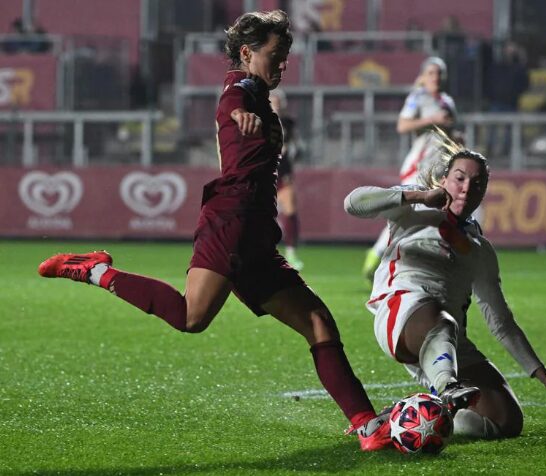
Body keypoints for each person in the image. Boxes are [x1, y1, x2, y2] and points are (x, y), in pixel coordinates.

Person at [37, 10, 392, 452]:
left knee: (319, 322)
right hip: (232, 221)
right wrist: (242, 113)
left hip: (258, 231)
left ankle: (368, 427)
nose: (283, 65)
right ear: (247, 53)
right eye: (276, 55)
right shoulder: (240, 89)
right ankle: (94, 271)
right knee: (192, 318)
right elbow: (232, 100)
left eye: (286, 56)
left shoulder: (259, 93)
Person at [345, 130, 546, 439]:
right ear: (444, 180)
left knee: (505, 421)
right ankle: (447, 389)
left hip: (448, 340)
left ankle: (402, 419)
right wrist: (418, 195)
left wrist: (543, 375)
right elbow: (352, 203)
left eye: (477, 184)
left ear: (484, 192)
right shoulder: (414, 209)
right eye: (459, 178)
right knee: (441, 321)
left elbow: (501, 322)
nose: (466, 189)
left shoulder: (480, 249)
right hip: (401, 315)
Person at [361, 56, 457, 281]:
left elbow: (447, 134)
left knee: (429, 216)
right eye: (431, 73)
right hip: (418, 167)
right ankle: (379, 257)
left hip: (439, 170)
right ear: (424, 77)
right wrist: (431, 119)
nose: (436, 78)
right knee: (409, 213)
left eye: (439, 73)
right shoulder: (418, 98)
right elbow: (402, 125)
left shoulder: (448, 102)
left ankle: (399, 261)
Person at [269, 88, 304, 270]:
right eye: (273, 100)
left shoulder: (289, 123)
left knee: (290, 209)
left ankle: (291, 252)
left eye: (279, 101)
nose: (277, 104)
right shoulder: (261, 120)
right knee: (262, 216)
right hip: (265, 175)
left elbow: (297, 148)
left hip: (283, 175)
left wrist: (293, 150)